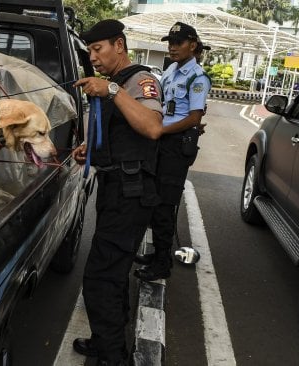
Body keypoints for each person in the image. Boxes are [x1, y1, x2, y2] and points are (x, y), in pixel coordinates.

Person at [70, 19, 163, 366]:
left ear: (119, 45)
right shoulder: (117, 83)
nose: (93, 57)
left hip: (131, 192)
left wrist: (111, 92)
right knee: (113, 271)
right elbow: (117, 131)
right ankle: (105, 340)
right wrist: (89, 149)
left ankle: (113, 357)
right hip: (115, 187)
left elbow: (152, 128)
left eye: (98, 49)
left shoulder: (141, 81)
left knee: (100, 277)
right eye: (90, 51)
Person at [134, 22, 211, 281]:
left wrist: (161, 131)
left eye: (178, 43)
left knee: (165, 205)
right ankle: (157, 255)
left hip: (175, 146)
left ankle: (162, 264)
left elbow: (194, 117)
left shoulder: (196, 77)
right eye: (170, 42)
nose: (172, 47)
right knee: (153, 201)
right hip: (160, 141)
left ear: (193, 44)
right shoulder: (170, 72)